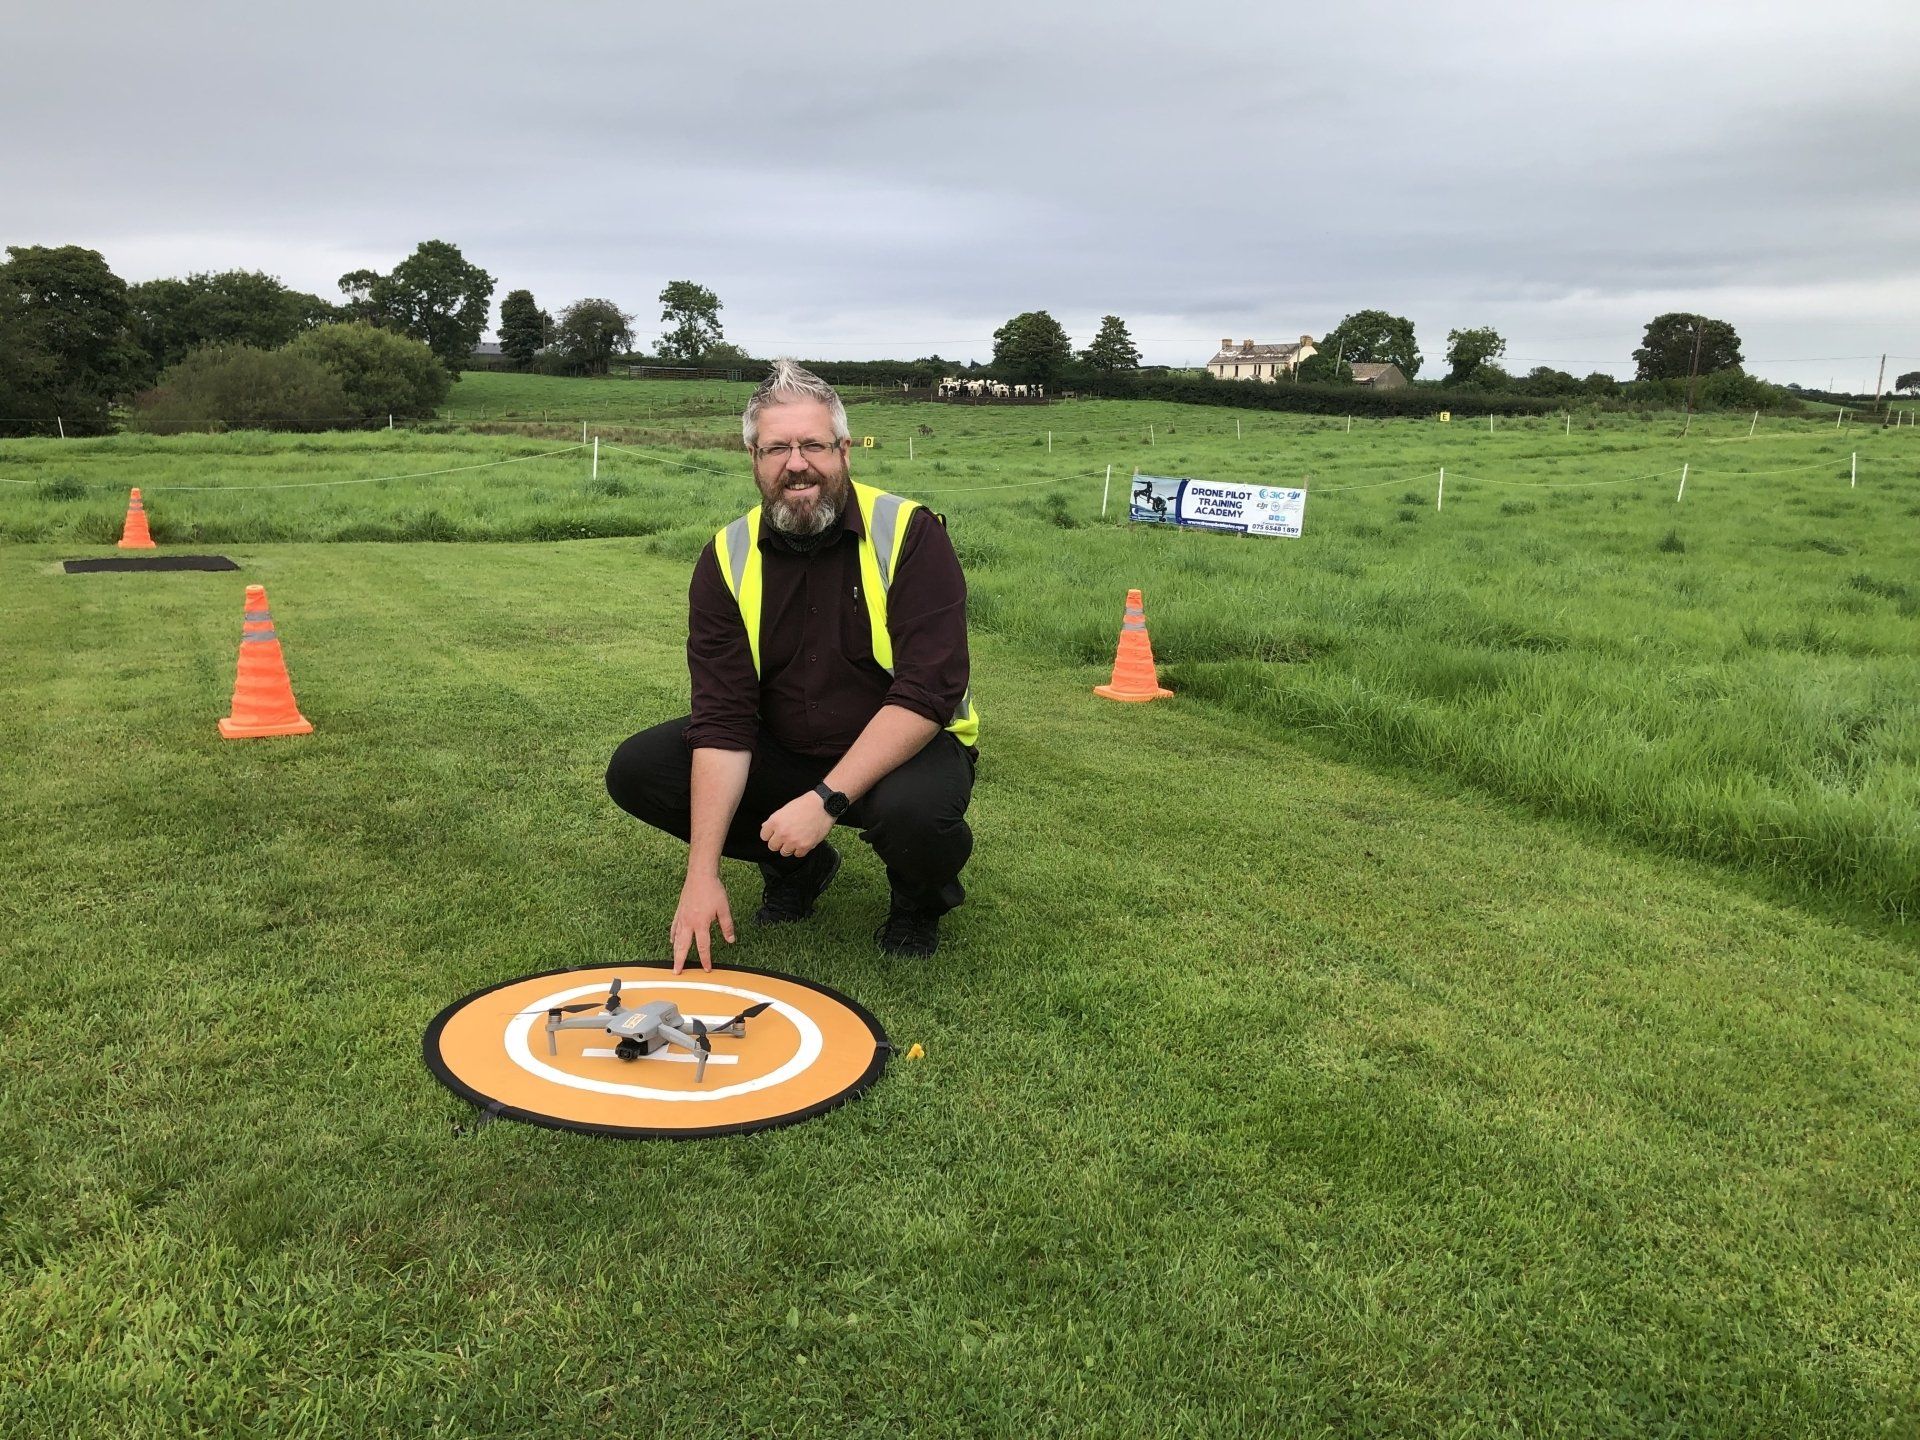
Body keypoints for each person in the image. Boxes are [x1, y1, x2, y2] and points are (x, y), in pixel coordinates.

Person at [606, 359, 979, 972]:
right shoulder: (725, 556)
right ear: (754, 459)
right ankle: (796, 865)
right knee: (641, 769)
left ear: (844, 451)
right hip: (784, 745)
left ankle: (918, 902)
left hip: (905, 745)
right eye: (777, 448)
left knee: (915, 815)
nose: (796, 463)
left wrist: (825, 801)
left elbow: (928, 690)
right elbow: (723, 718)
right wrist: (701, 873)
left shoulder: (910, 533)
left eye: (813, 445)